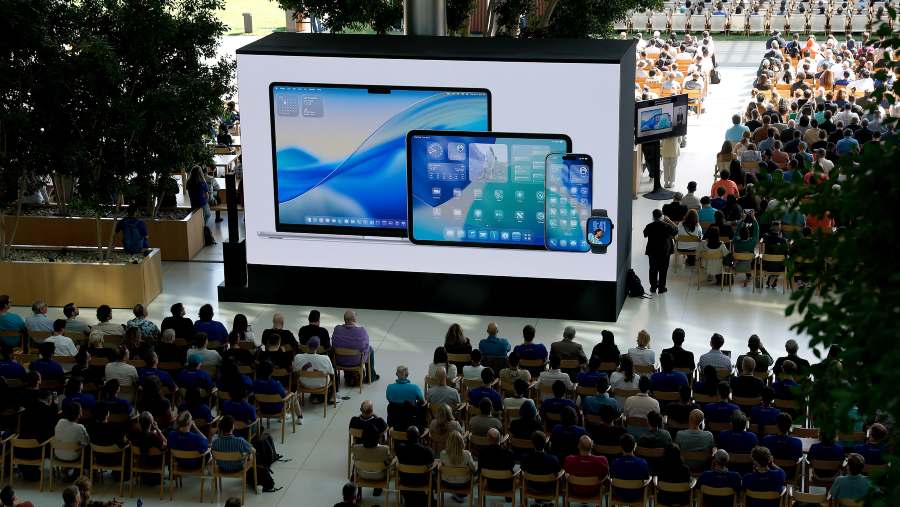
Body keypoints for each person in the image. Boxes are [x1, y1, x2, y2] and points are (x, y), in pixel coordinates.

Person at [333, 310, 378, 383]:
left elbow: (333, 344)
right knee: (370, 349)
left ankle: (348, 375)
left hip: (340, 360)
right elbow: (366, 348)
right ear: (354, 319)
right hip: (357, 361)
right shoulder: (361, 331)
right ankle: (371, 377)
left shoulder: (337, 329)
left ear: (344, 319)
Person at [395, 426, 434, 507]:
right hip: (422, 481)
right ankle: (431, 501)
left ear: (406, 436)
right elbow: (431, 462)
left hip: (405, 481)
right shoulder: (426, 451)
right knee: (433, 472)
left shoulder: (400, 449)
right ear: (419, 435)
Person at [644, 208, 678, 293]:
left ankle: (653, 287)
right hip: (665, 251)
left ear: (653, 217)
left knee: (653, 269)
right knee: (663, 269)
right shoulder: (667, 226)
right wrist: (669, 220)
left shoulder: (649, 226)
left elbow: (645, 234)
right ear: (662, 216)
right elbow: (676, 230)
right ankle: (661, 288)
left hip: (652, 251)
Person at [350, 428, 391, 498]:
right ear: (378, 438)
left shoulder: (356, 448)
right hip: (380, 476)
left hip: (362, 474)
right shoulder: (384, 449)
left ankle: (358, 492)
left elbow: (355, 461)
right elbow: (388, 463)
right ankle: (378, 488)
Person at [610, 434, 650, 503]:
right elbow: (646, 478)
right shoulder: (643, 462)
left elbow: (611, 477)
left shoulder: (615, 462)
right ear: (635, 446)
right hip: (637, 495)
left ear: (621, 447)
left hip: (619, 494)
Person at [293, 336, 335, 402]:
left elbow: (294, 371)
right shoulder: (325, 358)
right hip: (322, 384)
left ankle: (315, 397)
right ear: (318, 347)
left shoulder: (298, 357)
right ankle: (331, 395)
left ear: (307, 345)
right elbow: (331, 372)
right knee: (332, 375)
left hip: (304, 383)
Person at [761, 413, 802, 480]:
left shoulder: (767, 440)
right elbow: (799, 456)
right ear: (790, 426)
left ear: (777, 425)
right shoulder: (797, 442)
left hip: (771, 473)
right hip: (790, 475)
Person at [439, 430, 476, 504]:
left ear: (448, 442)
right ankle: (460, 495)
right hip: (463, 484)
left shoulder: (443, 454)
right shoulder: (467, 454)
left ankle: (457, 495)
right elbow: (473, 468)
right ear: (461, 441)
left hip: (447, 483)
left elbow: (442, 466)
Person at [53, 402, 90, 475]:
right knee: (87, 447)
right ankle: (81, 472)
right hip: (73, 458)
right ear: (79, 414)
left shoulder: (60, 422)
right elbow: (87, 441)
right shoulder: (80, 428)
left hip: (58, 455)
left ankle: (68, 470)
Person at [477, 428, 515, 492]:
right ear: (500, 439)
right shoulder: (508, 453)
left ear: (488, 439)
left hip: (490, 485)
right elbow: (512, 466)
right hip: (507, 485)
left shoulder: (482, 453)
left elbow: (480, 468)